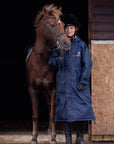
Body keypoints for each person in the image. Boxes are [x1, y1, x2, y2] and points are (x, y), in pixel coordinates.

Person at [48, 13, 95, 144]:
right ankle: (68, 139)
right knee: (64, 111)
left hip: (78, 84)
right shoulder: (58, 46)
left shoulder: (81, 45)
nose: (69, 30)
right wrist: (59, 59)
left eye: (71, 28)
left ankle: (79, 138)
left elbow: (87, 64)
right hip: (63, 84)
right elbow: (51, 63)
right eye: (67, 28)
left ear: (76, 29)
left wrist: (84, 81)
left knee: (83, 110)